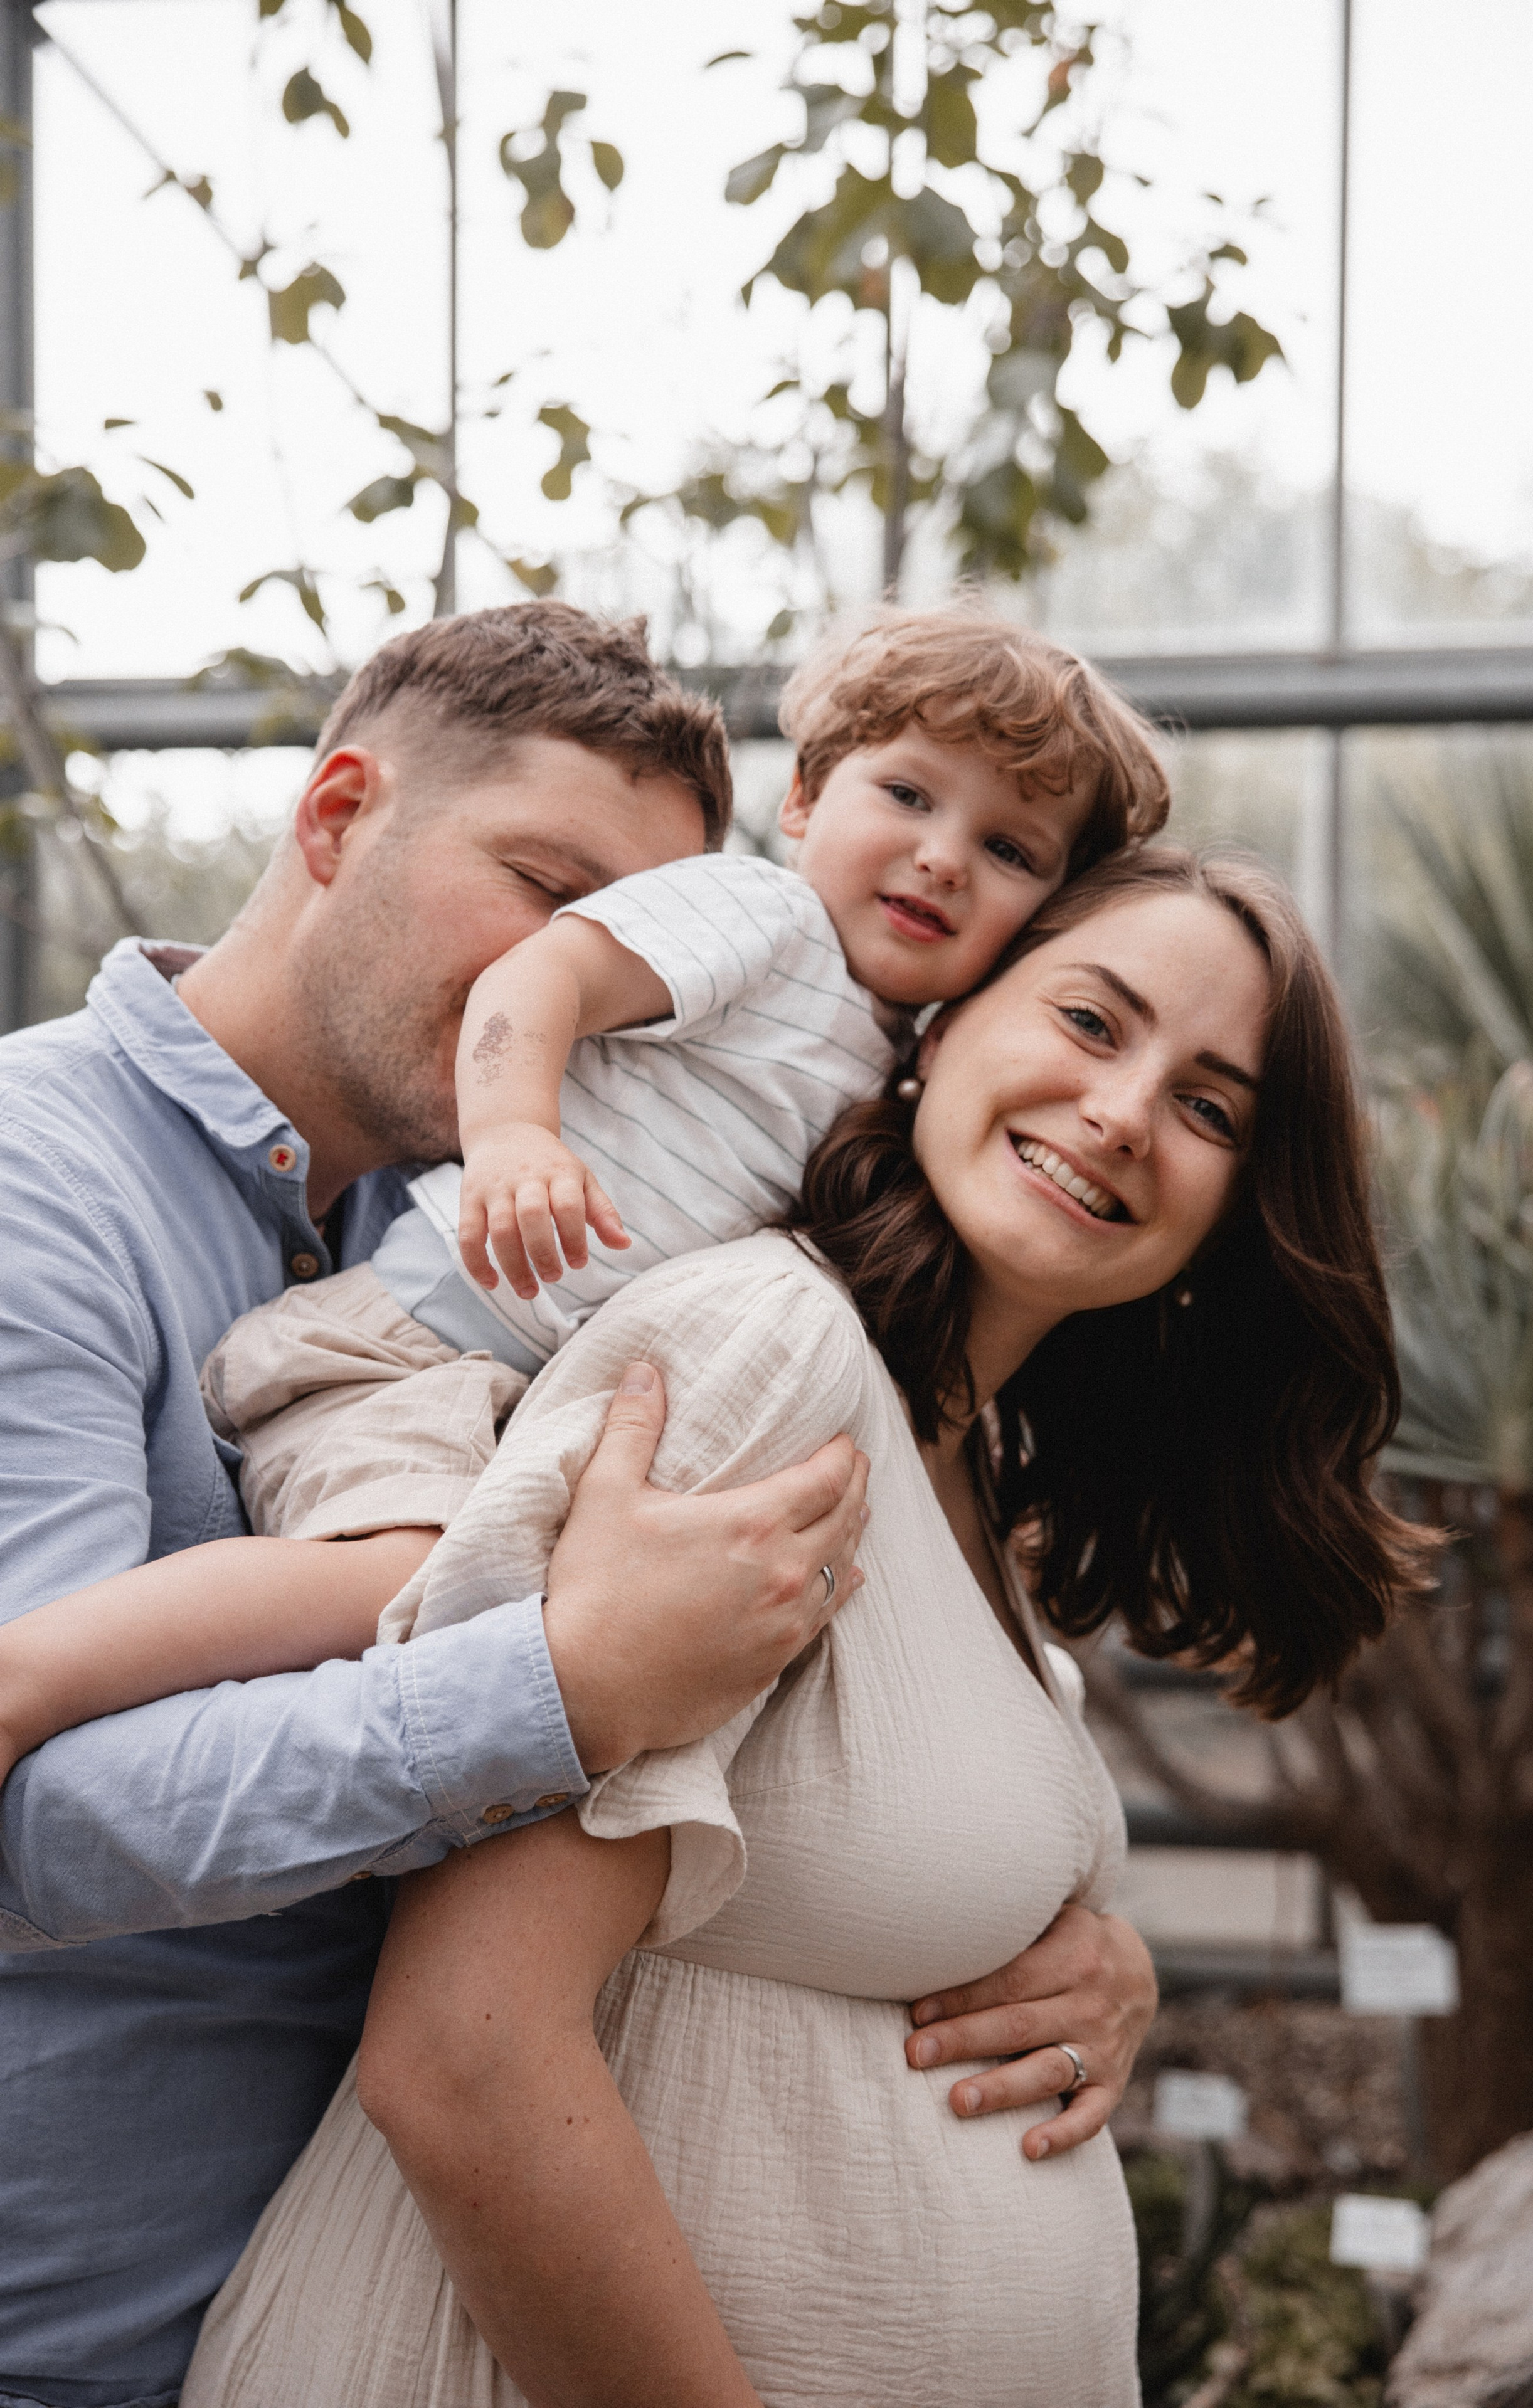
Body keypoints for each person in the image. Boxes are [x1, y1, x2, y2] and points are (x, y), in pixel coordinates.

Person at [0, 603, 1160, 2408]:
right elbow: (43, 1833)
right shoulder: (40, 1189)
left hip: (332, 2301)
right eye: (550, 890)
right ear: (337, 817)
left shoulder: (477, 1205)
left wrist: (1059, 1943)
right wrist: (566, 1680)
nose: (609, 979)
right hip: (78, 2340)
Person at [169, 847, 1436, 2408]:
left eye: (1209, 1109)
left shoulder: (964, 1463)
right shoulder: (774, 1358)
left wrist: (1102, 1965)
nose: (1121, 1113)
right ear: (938, 1029)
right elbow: (462, 2055)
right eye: (1090, 1023)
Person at [0, 602, 1170, 1772]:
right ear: (805, 800)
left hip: (510, 1393)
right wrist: (513, 1135)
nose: (945, 857)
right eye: (908, 795)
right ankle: (35, 1673)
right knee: (422, 1576)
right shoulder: (762, 919)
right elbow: (542, 979)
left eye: (1011, 852)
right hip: (419, 1354)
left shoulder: (898, 1069)